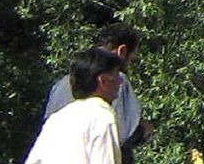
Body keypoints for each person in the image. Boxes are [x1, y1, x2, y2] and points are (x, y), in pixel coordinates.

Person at [47, 23, 145, 160]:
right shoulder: (113, 81)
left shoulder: (61, 85)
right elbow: (124, 134)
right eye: (131, 60)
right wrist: (143, 130)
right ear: (122, 51)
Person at [26, 48, 124, 164]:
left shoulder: (57, 118)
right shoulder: (102, 116)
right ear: (103, 81)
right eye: (117, 74)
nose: (120, 81)